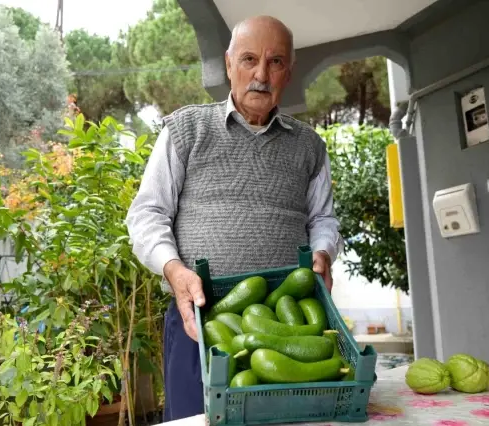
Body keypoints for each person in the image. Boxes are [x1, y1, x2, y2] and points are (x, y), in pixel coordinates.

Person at [125, 15, 343, 422]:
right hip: (199, 319)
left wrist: (323, 253)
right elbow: (147, 213)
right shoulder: (186, 129)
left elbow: (323, 219)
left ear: (288, 72)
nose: (261, 74)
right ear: (228, 65)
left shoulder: (309, 146)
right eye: (248, 60)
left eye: (275, 62)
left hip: (287, 323)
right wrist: (173, 270)